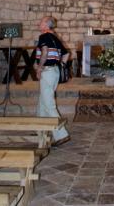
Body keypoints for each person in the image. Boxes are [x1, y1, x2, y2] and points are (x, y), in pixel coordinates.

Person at [35, 15, 70, 145]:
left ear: (46, 25)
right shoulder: (55, 37)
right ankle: (40, 129)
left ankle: (61, 134)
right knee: (42, 101)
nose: (39, 23)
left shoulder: (44, 36)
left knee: (48, 103)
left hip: (47, 72)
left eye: (41, 22)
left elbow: (44, 53)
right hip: (55, 72)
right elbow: (66, 54)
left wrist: (39, 69)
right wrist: (61, 66)